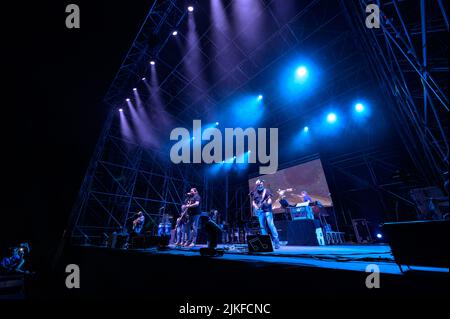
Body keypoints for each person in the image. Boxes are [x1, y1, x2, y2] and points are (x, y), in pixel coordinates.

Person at [251, 179, 280, 249]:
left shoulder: (266, 191)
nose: (260, 185)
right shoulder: (254, 193)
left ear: (262, 184)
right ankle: (266, 242)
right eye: (258, 184)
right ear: (256, 185)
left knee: (271, 225)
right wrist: (255, 207)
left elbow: (269, 199)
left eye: (261, 184)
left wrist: (268, 202)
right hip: (260, 211)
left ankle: (276, 241)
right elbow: (253, 202)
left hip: (267, 210)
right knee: (262, 227)